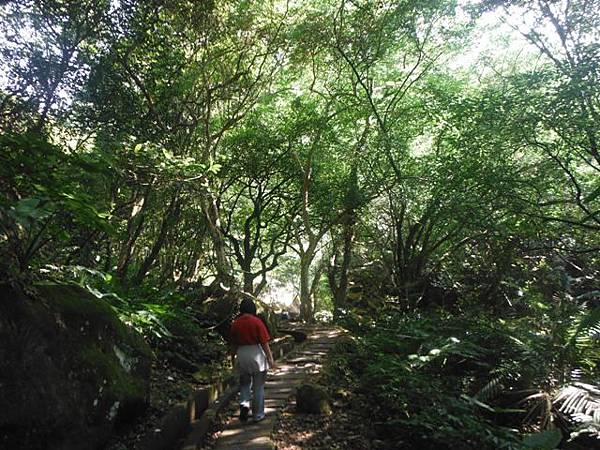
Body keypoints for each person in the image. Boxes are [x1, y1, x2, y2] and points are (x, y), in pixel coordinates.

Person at [229, 298, 275, 423]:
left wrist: (232, 359)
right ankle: (258, 415)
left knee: (244, 384)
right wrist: (270, 358)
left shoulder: (235, 323)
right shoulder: (257, 322)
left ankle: (244, 404)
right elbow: (264, 342)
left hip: (242, 354)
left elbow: (233, 345)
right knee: (258, 387)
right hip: (256, 355)